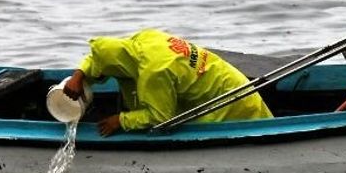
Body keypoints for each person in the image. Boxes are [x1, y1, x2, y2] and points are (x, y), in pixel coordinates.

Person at [62, 29, 273, 137]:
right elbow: (101, 55)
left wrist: (121, 120)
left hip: (230, 103)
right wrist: (79, 75)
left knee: (264, 133)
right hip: (231, 79)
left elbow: (161, 117)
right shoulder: (143, 39)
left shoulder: (154, 73)